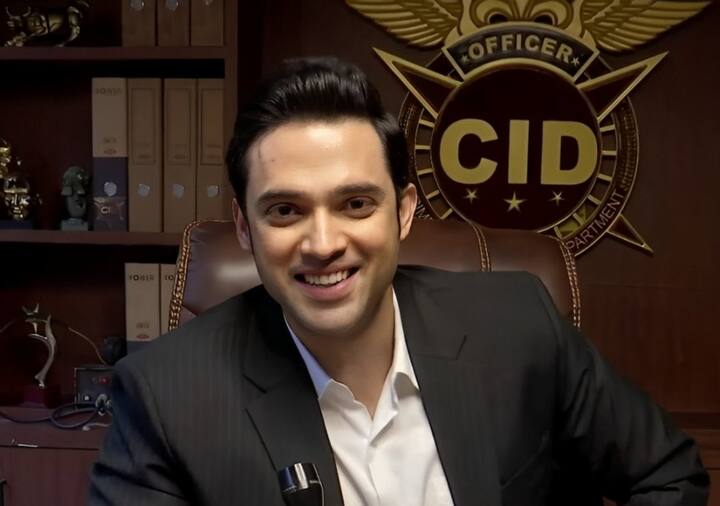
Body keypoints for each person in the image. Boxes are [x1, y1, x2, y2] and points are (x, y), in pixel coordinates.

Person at [88, 57, 708, 505]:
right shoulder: (166, 397)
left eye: (356, 204)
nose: (324, 243)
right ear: (246, 230)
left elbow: (669, 475)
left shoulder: (519, 324)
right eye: (285, 210)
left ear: (404, 212)